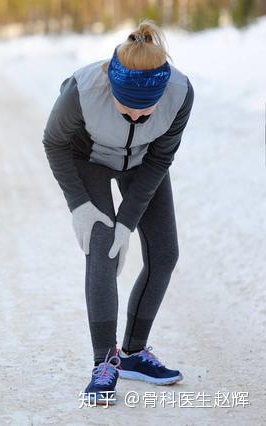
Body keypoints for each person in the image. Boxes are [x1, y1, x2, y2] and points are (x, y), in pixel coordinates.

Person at [41, 19, 195, 405]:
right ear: (111, 87)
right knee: (103, 249)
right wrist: (79, 205)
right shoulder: (83, 90)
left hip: (143, 163)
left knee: (164, 255)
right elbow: (54, 142)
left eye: (146, 114)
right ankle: (104, 362)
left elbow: (161, 158)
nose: (137, 119)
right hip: (87, 158)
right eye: (128, 111)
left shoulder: (180, 93)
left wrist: (128, 220)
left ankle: (133, 353)